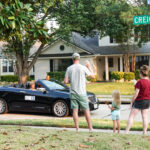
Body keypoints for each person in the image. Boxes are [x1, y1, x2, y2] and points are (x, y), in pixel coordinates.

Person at [64, 53, 95, 132]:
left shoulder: (69, 68)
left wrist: (71, 80)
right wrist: (89, 67)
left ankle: (77, 128)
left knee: (75, 111)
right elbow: (92, 76)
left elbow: (66, 81)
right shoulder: (83, 68)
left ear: (72, 59)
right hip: (82, 93)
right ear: (79, 59)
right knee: (86, 110)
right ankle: (90, 128)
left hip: (73, 93)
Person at [125, 65, 150, 135]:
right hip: (147, 101)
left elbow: (136, 94)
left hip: (139, 101)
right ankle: (144, 132)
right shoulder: (149, 81)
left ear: (141, 73)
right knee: (145, 117)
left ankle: (126, 132)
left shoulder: (139, 82)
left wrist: (131, 102)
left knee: (131, 116)